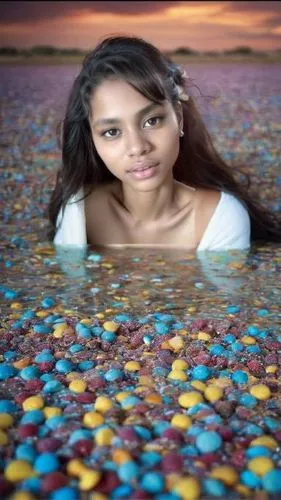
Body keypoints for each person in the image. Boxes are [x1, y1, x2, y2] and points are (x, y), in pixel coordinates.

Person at [48, 35, 281, 251]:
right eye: (111, 132)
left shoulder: (220, 218)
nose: (137, 147)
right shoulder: (79, 213)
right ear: (92, 141)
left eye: (151, 121)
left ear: (178, 118)